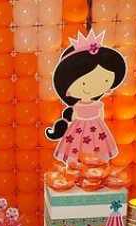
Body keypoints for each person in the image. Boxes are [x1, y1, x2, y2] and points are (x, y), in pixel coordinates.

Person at [46, 30, 127, 165]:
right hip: (80, 129)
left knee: (96, 152)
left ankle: (95, 169)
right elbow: (76, 116)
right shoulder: (77, 106)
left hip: (96, 130)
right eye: (83, 83)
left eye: (105, 81)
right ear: (68, 88)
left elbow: (99, 115)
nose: (91, 87)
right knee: (77, 150)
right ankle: (78, 169)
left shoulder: (97, 104)